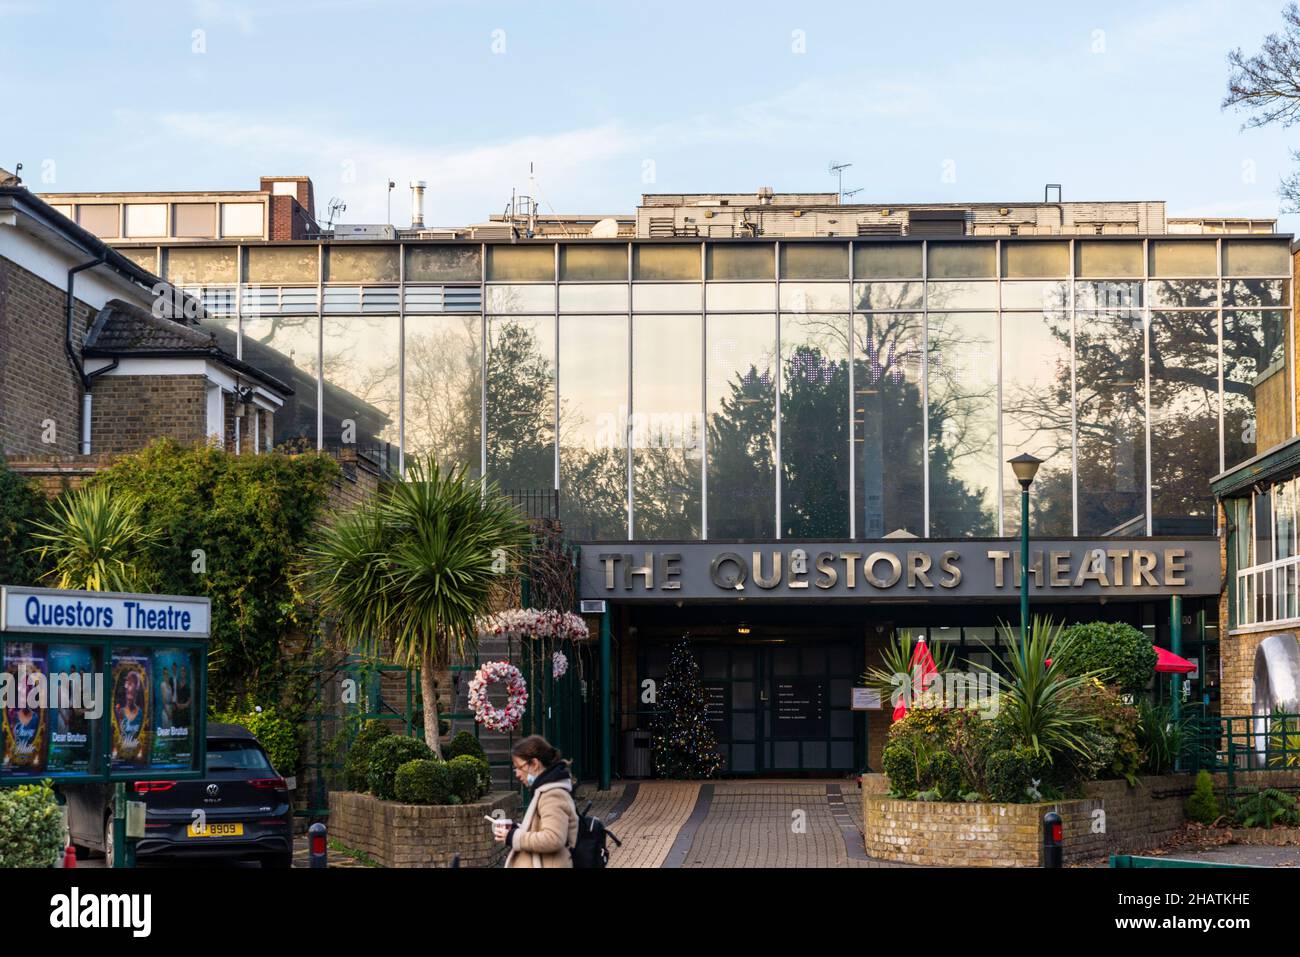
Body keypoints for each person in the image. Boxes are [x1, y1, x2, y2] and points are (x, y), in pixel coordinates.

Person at [496, 735, 578, 868]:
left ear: (534, 764)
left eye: (519, 767)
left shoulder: (553, 795)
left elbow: (554, 838)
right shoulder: (545, 791)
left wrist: (514, 837)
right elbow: (542, 829)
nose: (517, 774)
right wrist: (517, 829)